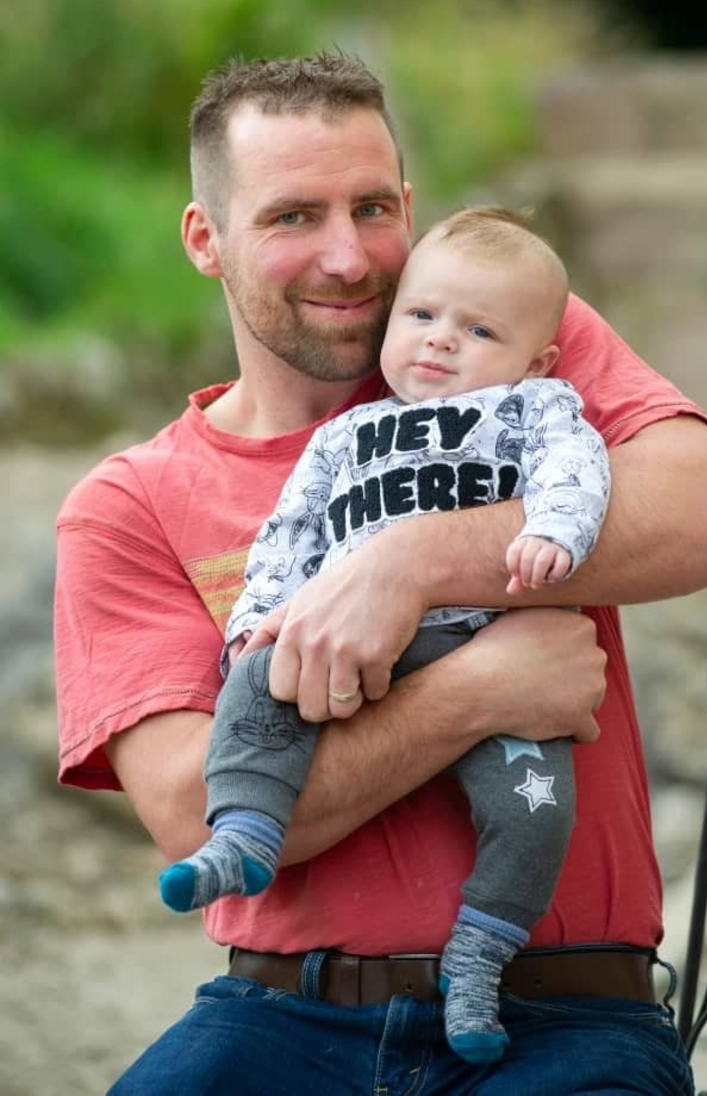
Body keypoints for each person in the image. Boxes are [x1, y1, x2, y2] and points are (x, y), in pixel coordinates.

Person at [54, 54, 707, 1095]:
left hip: (564, 1018)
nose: (349, 257)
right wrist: (480, 691)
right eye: (294, 216)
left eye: (373, 207)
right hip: (282, 1017)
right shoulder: (129, 505)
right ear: (206, 240)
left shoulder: (498, 327)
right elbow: (190, 810)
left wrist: (418, 560)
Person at [158, 205, 612, 1065]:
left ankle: (481, 953)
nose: (441, 341)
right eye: (421, 316)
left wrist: (555, 530)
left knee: (535, 809)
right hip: (356, 643)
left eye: (478, 329)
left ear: (537, 357)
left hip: (488, 635)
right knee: (257, 687)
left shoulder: (532, 407)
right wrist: (259, 621)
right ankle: (245, 835)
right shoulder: (343, 435)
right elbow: (288, 534)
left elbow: (578, 465)